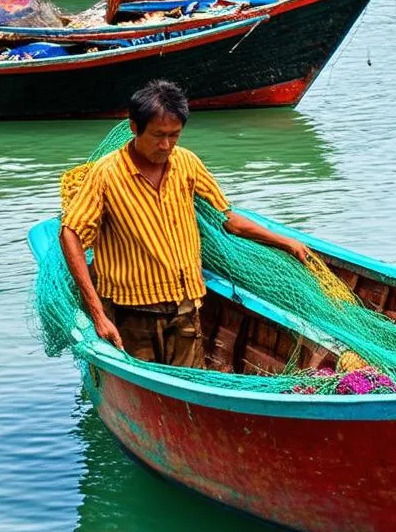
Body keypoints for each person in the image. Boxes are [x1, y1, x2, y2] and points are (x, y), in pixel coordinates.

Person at [59, 80, 310, 369]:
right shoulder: (106, 174)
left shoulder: (187, 163)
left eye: (174, 135)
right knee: (147, 384)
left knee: (192, 379)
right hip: (131, 314)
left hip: (186, 310)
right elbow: (71, 234)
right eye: (157, 135)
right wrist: (98, 315)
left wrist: (285, 242)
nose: (166, 145)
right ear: (133, 127)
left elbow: (228, 219)